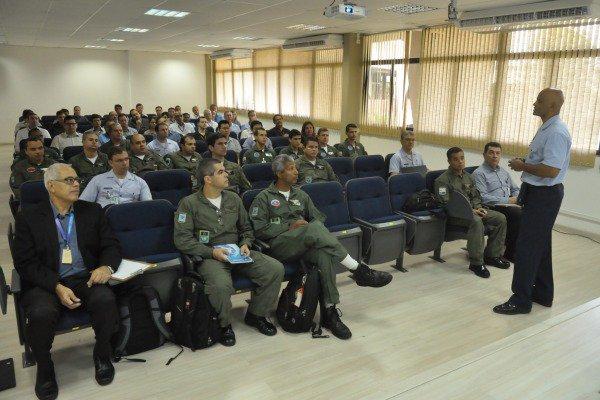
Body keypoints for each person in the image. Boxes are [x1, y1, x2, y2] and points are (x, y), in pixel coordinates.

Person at [250, 155, 392, 339]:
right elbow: (258, 229)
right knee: (315, 229)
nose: (296, 171)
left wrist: (308, 228)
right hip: (279, 247)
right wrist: (289, 226)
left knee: (323, 255)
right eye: (291, 168)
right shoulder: (264, 198)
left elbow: (318, 217)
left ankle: (329, 313)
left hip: (304, 243)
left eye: (295, 168)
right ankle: (358, 270)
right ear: (279, 173)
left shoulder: (300, 194)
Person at [13, 163, 122, 399]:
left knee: (106, 299)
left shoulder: (91, 210)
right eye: (69, 180)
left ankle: (102, 353)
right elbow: (25, 264)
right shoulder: (29, 217)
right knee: (41, 313)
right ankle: (45, 366)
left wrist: (106, 266)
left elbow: (111, 245)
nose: (76, 184)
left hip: (85, 278)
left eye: (76, 179)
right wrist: (56, 286)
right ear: (51, 186)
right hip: (47, 282)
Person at [174, 159, 284, 346]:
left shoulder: (233, 198)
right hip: (212, 256)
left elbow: (246, 228)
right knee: (221, 285)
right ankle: (223, 325)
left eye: (226, 171)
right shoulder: (189, 203)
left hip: (238, 252)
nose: (227, 174)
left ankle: (256, 315)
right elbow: (182, 240)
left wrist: (246, 243)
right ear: (208, 179)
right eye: (221, 172)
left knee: (275, 268)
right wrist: (211, 253)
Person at [493, 88, 572, 315]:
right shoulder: (547, 128)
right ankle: (543, 293)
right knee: (541, 246)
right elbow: (543, 161)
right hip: (536, 192)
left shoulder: (556, 131)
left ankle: (521, 300)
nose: (534, 103)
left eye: (539, 100)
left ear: (552, 106)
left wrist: (522, 166)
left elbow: (550, 169)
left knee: (526, 247)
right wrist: (527, 162)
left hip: (544, 196)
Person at [434, 147, 510, 278]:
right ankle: (476, 263)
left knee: (500, 218)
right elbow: (447, 204)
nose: (460, 162)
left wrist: (478, 208)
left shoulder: (468, 177)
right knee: (476, 221)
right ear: (449, 161)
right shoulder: (442, 181)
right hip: (456, 216)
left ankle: (492, 255)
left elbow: (475, 197)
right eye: (456, 159)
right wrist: (472, 211)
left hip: (474, 211)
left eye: (462, 158)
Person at [473, 142, 521, 262]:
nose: (495, 156)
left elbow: (515, 188)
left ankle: (519, 249)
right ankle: (510, 253)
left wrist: (517, 198)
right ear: (484, 155)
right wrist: (508, 200)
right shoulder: (479, 173)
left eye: (498, 153)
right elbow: (482, 197)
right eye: (491, 153)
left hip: (508, 204)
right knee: (517, 214)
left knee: (528, 211)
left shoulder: (503, 172)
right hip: (491, 206)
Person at [80, 147, 152, 208]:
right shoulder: (97, 180)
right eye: (119, 160)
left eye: (126, 159)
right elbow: (83, 204)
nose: (124, 163)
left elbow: (148, 207)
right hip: (105, 220)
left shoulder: (140, 182)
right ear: (110, 163)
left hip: (131, 219)